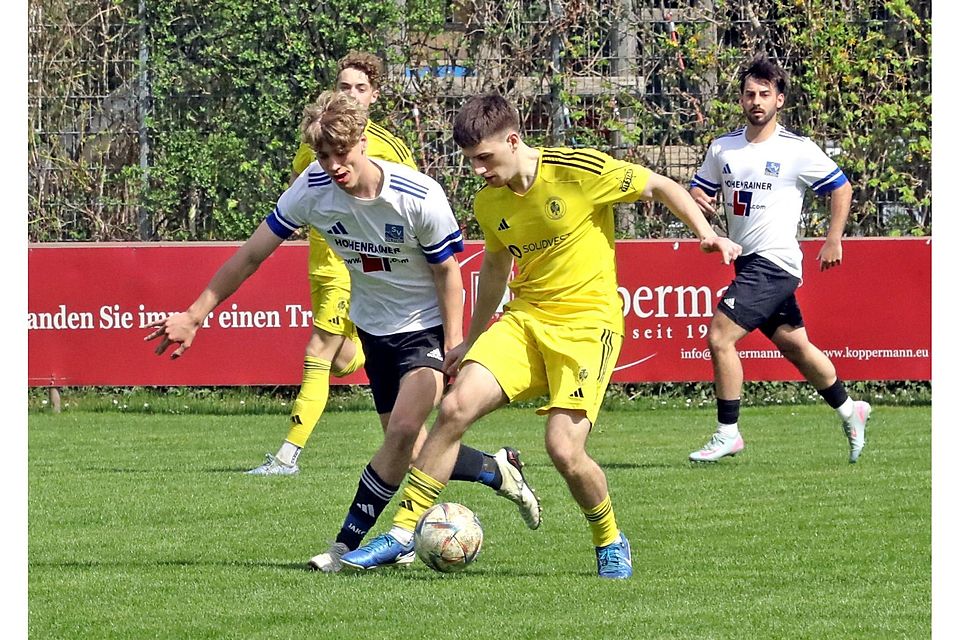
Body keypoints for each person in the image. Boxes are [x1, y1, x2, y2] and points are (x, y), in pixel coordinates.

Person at [339, 93, 741, 578]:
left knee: (564, 450)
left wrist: (706, 231)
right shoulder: (490, 202)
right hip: (526, 319)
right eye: (470, 161)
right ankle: (402, 532)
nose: (478, 170)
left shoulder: (578, 171)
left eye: (484, 158)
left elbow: (659, 185)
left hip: (587, 327)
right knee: (454, 406)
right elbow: (493, 266)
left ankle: (609, 538)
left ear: (513, 140)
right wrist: (469, 339)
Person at [144, 91, 541, 574]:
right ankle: (497, 470)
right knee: (412, 451)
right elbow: (251, 255)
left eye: (342, 152)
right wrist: (195, 314)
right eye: (323, 155)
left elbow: (448, 273)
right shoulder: (312, 188)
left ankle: (348, 546)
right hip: (376, 331)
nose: (333, 164)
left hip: (427, 328)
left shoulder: (417, 195)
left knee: (400, 434)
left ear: (363, 142)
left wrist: (455, 345)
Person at [687, 54, 872, 464]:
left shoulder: (797, 149)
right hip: (747, 262)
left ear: (780, 101)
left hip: (777, 262)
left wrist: (833, 239)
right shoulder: (723, 148)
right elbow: (698, 194)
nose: (756, 101)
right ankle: (849, 409)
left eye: (765, 95)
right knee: (796, 347)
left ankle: (728, 433)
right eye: (750, 94)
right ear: (740, 99)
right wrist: (699, 200)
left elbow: (841, 188)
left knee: (720, 336)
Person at [246, 50, 418, 476]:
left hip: (358, 265)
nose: (352, 95)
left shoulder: (390, 148)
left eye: (361, 88)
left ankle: (287, 456)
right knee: (342, 360)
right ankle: (364, 352)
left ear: (374, 95)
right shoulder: (316, 141)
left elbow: (412, 202)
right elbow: (298, 194)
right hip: (321, 263)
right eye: (345, 87)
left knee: (317, 350)